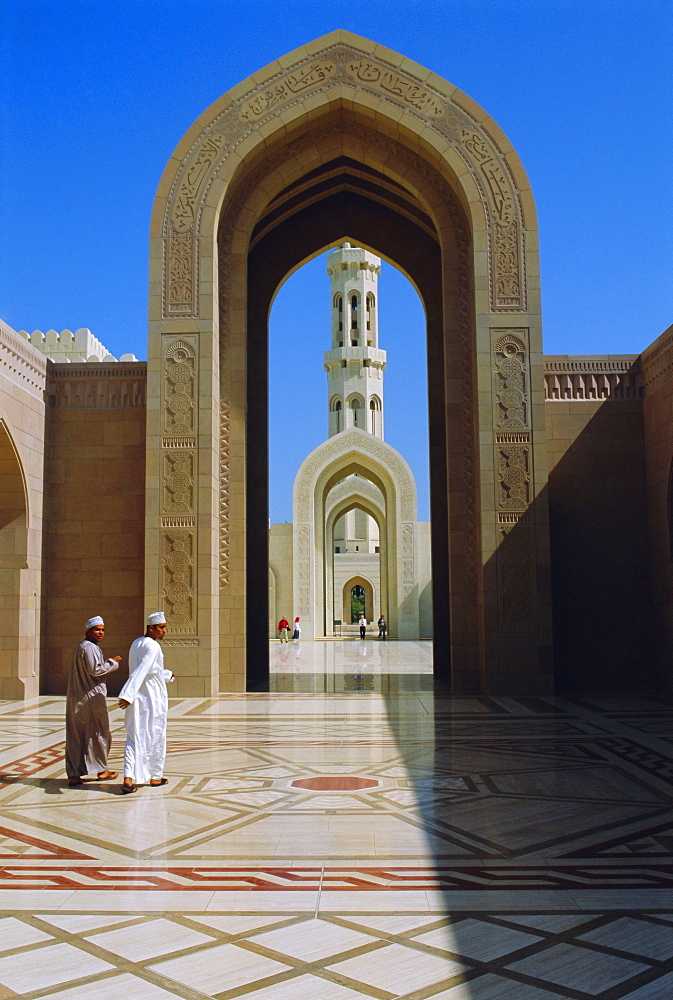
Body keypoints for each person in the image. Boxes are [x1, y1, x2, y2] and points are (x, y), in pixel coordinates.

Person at [118, 612, 174, 794]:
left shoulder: (137, 643)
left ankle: (128, 777)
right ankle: (155, 776)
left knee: (134, 737)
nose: (164, 631)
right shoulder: (153, 647)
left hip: (137, 699)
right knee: (156, 735)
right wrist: (127, 693)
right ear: (151, 628)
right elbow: (141, 671)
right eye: (161, 627)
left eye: (165, 627)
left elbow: (151, 670)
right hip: (151, 700)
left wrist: (167, 675)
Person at [65, 616, 121, 787]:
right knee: (100, 733)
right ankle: (102, 770)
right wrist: (112, 663)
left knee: (76, 736)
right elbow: (95, 670)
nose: (101, 633)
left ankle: (74, 774)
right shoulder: (90, 648)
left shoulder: (80, 647)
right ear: (88, 631)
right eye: (97, 629)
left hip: (77, 698)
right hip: (91, 698)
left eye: (103, 630)